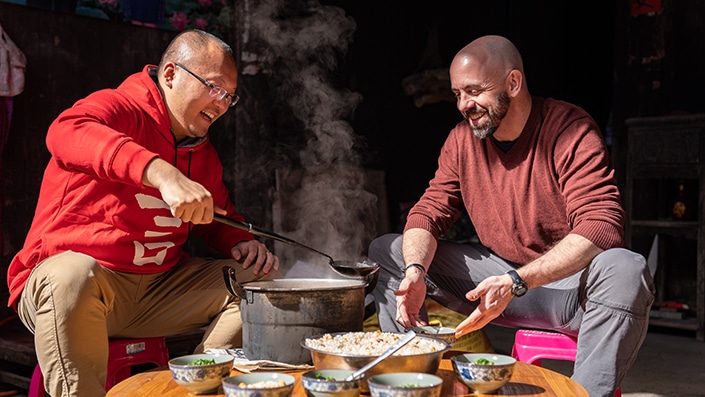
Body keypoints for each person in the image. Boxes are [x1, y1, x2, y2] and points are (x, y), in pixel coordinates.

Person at [369, 35, 655, 397]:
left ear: (513, 83)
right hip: (494, 286)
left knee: (625, 268)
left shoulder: (569, 129)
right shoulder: (461, 141)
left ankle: (587, 393)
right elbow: (428, 212)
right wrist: (415, 272)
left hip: (571, 293)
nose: (463, 105)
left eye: (473, 91)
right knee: (389, 251)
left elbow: (602, 225)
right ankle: (410, 379)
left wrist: (517, 281)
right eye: (457, 94)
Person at [6, 29, 281, 397]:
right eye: (213, 87)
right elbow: (65, 131)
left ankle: (195, 389)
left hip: (157, 291)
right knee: (71, 275)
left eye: (229, 96)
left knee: (257, 281)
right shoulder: (119, 107)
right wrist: (162, 174)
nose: (220, 102)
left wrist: (241, 241)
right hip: (81, 289)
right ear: (170, 74)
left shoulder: (204, 154)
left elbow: (216, 217)